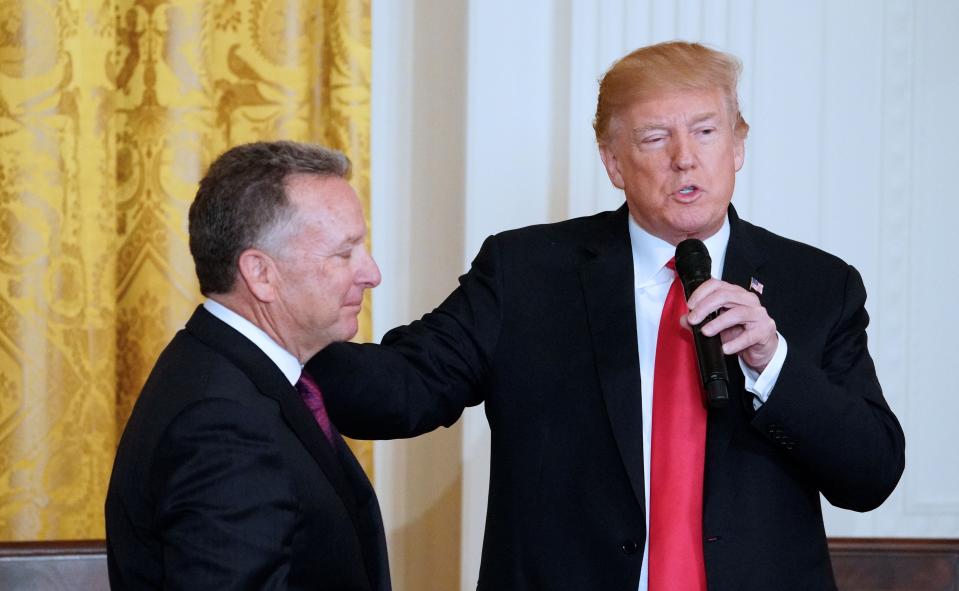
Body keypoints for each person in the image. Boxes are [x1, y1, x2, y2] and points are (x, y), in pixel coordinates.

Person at [309, 42, 905, 590]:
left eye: (705, 131)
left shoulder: (819, 286)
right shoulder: (525, 272)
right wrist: (275, 340)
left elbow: (870, 474)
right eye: (653, 139)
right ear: (613, 161)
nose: (684, 159)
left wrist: (773, 364)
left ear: (739, 146)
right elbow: (405, 387)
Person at [105, 141, 388, 590]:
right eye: (344, 253)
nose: (371, 273)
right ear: (260, 274)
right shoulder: (220, 423)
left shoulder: (232, 372)